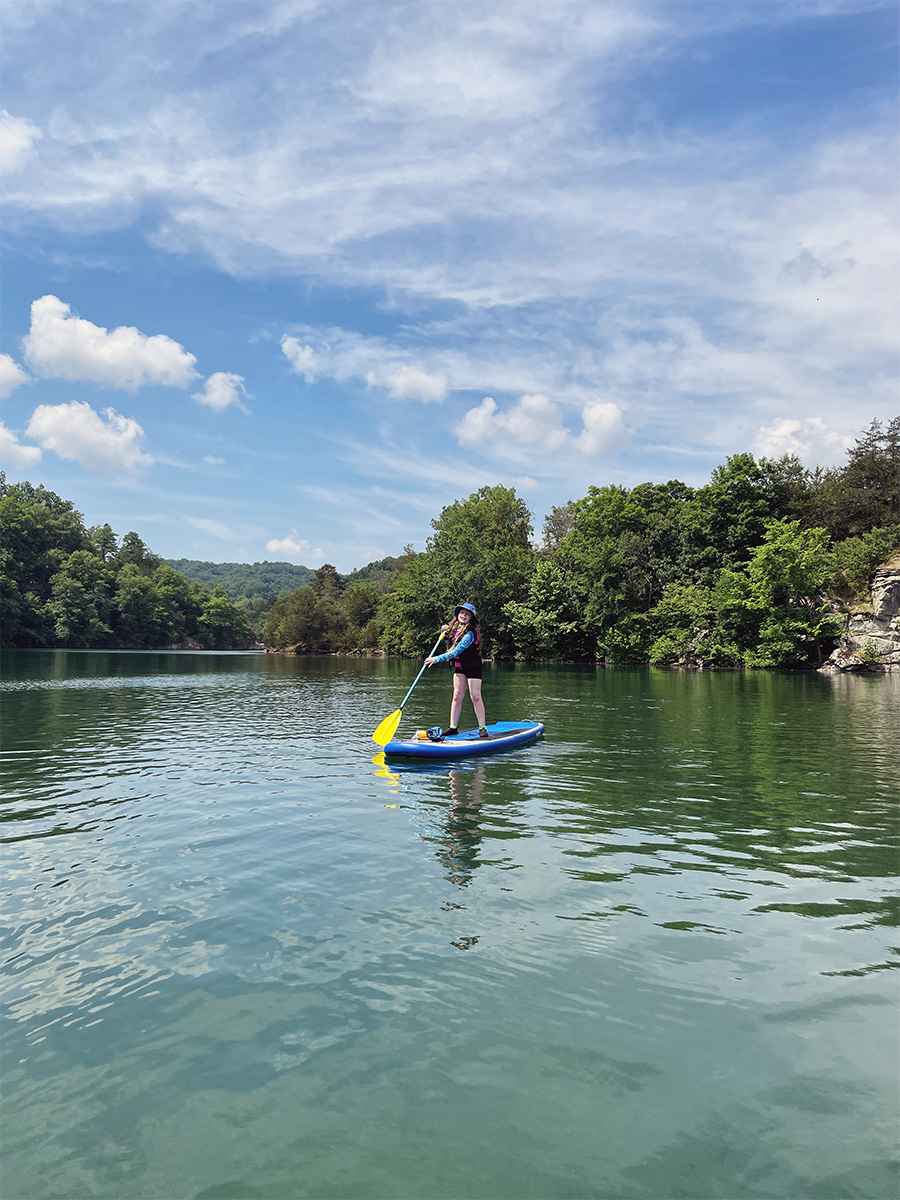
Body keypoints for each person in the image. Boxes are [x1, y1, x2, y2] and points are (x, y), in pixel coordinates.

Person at [424, 602, 488, 737]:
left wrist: (436, 659)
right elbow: (448, 641)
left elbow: (456, 651)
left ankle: (482, 728)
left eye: (467, 614)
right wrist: (443, 631)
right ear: (458, 615)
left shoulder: (470, 633)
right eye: (462, 613)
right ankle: (453, 727)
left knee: (475, 696)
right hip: (460, 666)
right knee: (457, 696)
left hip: (473, 666)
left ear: (471, 618)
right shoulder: (455, 629)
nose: (464, 616)